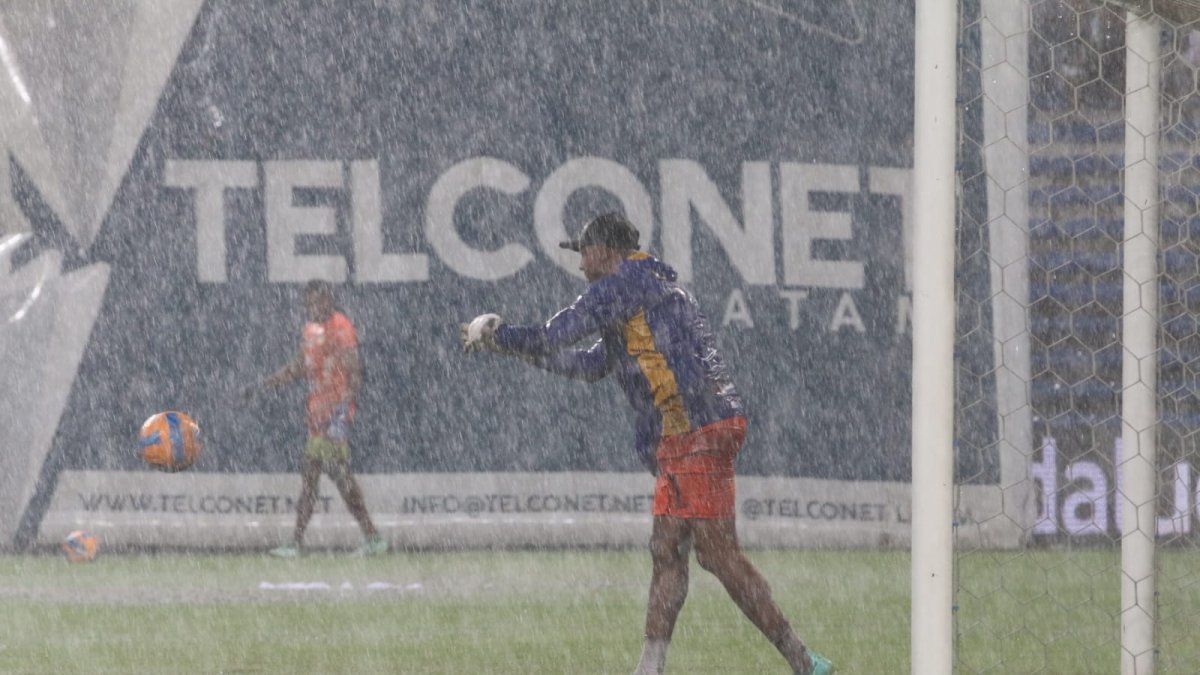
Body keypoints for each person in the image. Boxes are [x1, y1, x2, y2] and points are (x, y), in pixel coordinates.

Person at [461, 213, 832, 675]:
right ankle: (650, 668)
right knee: (667, 549)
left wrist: (501, 334)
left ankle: (802, 660)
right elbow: (593, 365)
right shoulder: (643, 288)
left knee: (717, 555)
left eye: (584, 253)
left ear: (605, 251)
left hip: (698, 429)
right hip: (690, 431)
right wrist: (513, 349)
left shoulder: (622, 282)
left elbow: (554, 335)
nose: (581, 266)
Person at [250, 280, 388, 558]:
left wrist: (341, 414)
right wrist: (270, 382)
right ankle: (371, 538)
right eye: (311, 303)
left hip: (333, 418)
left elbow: (355, 373)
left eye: (320, 301)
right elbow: (301, 366)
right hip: (316, 416)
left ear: (329, 300)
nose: (315, 307)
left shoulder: (341, 328)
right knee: (335, 480)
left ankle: (298, 542)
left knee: (316, 479)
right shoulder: (310, 330)